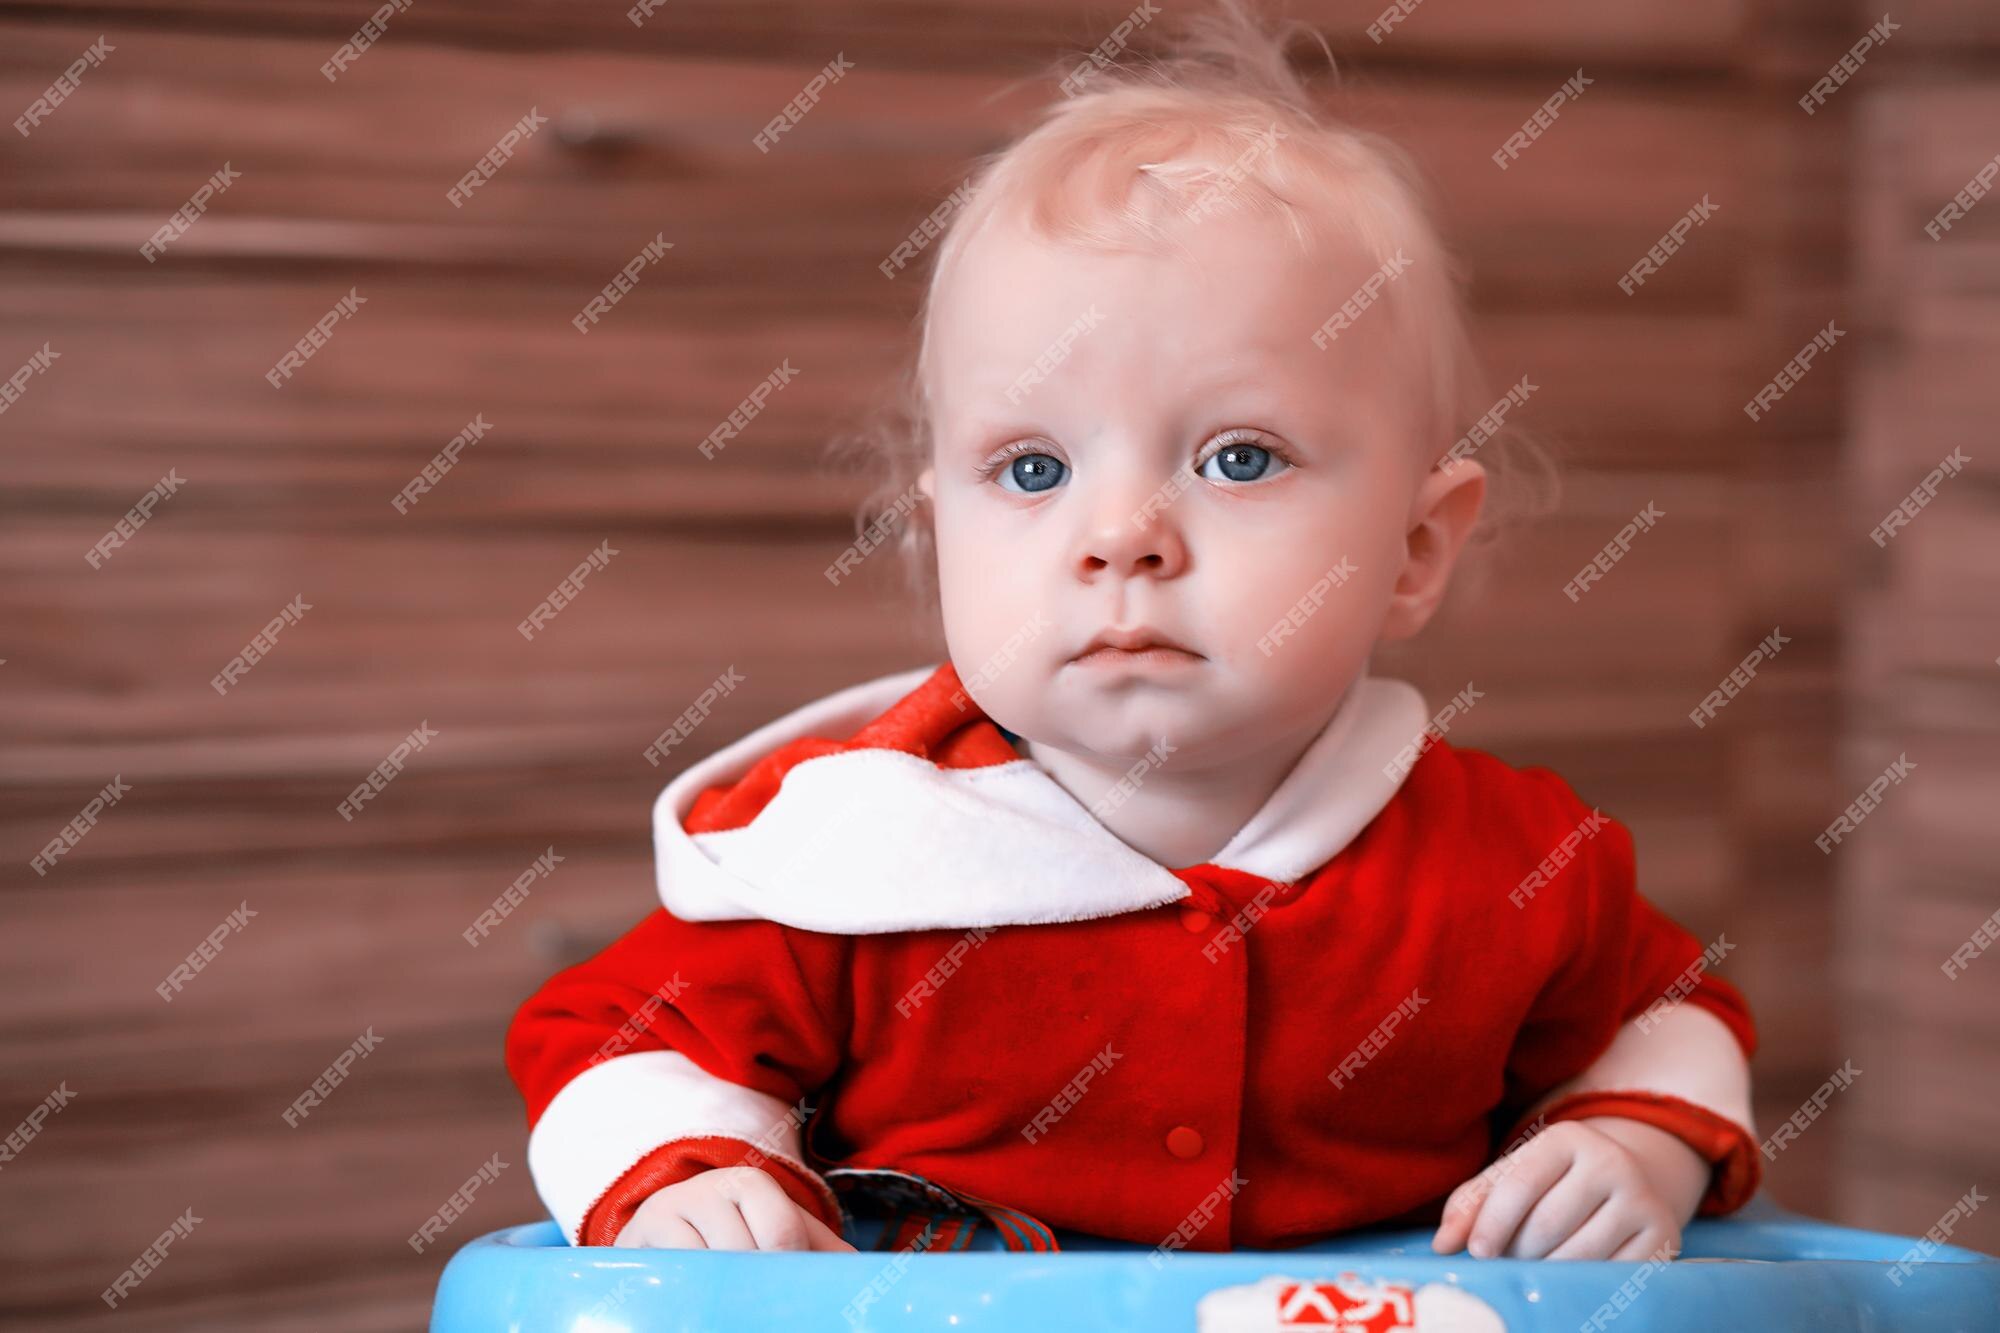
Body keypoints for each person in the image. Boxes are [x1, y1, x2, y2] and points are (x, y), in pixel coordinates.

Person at [506, 0, 1758, 1262]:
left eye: (1237, 454)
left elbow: (1660, 1015)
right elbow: (618, 1043)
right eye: (1034, 470)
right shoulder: (851, 858)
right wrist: (687, 1179)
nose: (1120, 535)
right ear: (943, 532)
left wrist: (1629, 1143)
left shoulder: (1519, 865)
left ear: (1414, 550)